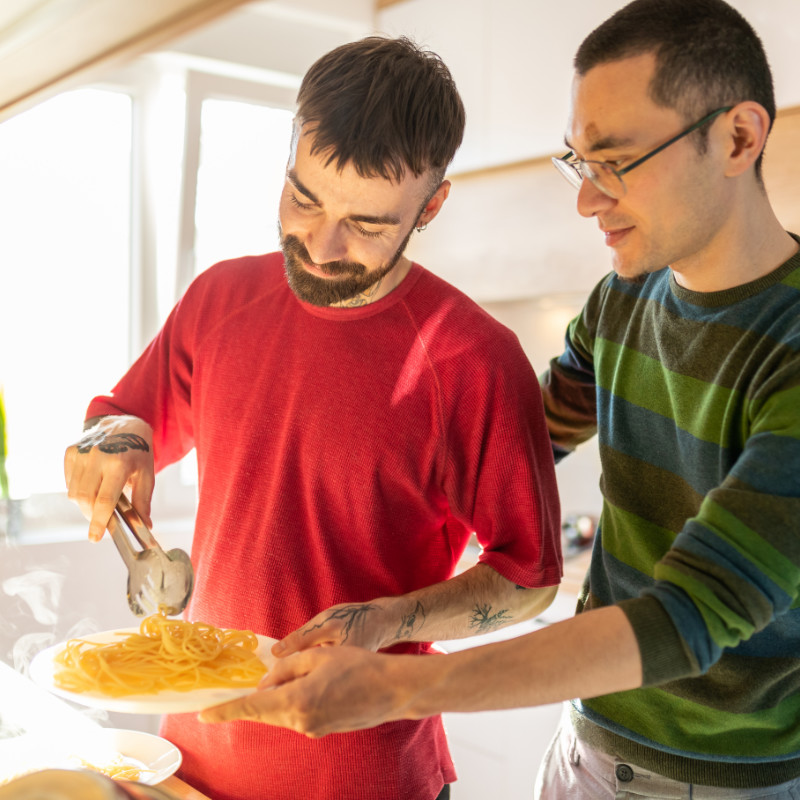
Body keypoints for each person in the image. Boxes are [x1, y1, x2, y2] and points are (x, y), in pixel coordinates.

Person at [199, 1, 800, 797]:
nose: (587, 201)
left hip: (724, 777)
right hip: (585, 746)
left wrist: (395, 688)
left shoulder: (787, 351)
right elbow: (513, 444)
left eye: (615, 162)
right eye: (579, 163)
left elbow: (687, 618)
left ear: (737, 137)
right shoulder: (623, 302)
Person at [63, 35, 563, 800]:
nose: (321, 246)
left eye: (365, 224)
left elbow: (529, 580)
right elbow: (127, 416)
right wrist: (113, 439)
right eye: (303, 197)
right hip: (189, 761)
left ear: (431, 205)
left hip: (362, 777)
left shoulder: (473, 361)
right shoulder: (220, 300)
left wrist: (387, 622)